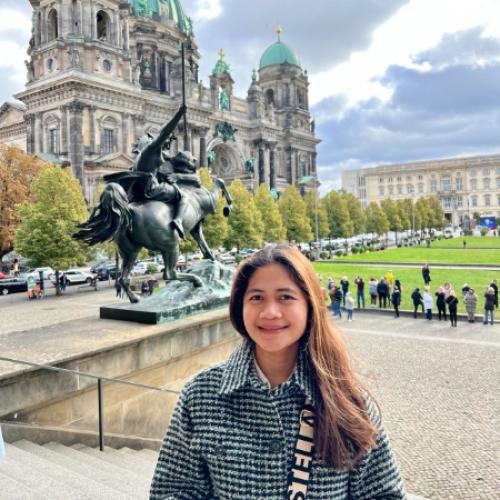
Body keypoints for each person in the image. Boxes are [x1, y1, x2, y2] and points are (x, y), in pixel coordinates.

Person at [150, 246, 406, 498]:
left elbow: (386, 494)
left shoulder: (350, 400)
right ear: (240, 306)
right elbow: (171, 491)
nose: (270, 312)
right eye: (257, 297)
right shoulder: (199, 395)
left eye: (285, 297)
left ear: (310, 304)